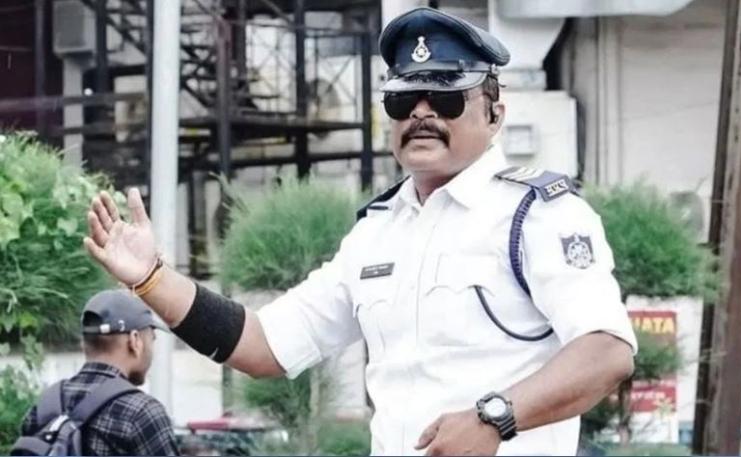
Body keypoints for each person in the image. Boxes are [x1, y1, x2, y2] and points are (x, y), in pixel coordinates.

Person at [83, 7, 636, 456]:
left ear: (494, 115)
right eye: (403, 99)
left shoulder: (536, 214)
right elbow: (263, 344)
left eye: (446, 98)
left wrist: (496, 417)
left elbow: (607, 351)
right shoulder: (377, 233)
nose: (421, 114)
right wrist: (152, 278)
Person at [19, 290, 178, 456]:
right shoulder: (142, 413)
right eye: (152, 339)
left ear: (84, 344)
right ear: (134, 341)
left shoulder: (44, 406)